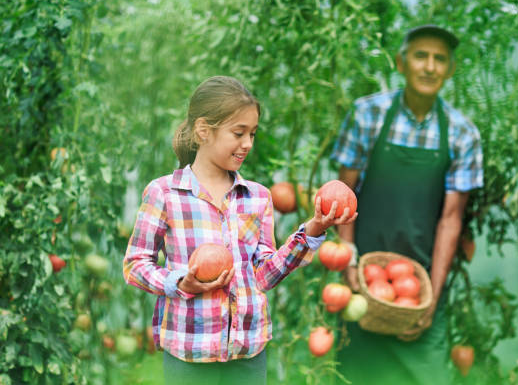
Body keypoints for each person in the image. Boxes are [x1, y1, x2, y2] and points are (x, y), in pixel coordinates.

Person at [123, 76, 357, 385]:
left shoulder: (258, 197)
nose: (247, 143)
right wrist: (181, 282)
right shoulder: (165, 193)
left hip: (247, 353)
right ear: (203, 130)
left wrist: (313, 229)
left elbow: (264, 275)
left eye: (253, 133)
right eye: (238, 133)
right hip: (189, 352)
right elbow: (135, 265)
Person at [332, 25, 483, 384]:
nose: (430, 67)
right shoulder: (368, 115)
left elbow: (451, 219)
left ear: (450, 69)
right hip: (364, 285)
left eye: (440, 59)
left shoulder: (462, 133)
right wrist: (348, 263)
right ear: (401, 63)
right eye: (420, 56)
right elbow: (343, 195)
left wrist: (432, 294)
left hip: (420, 286)